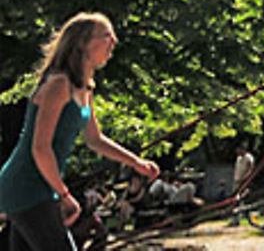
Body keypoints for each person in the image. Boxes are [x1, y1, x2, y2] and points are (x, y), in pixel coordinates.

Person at [0, 14, 160, 251]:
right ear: (83, 43)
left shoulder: (85, 87)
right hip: (26, 184)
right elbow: (40, 148)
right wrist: (64, 195)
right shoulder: (58, 84)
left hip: (38, 186)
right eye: (106, 35)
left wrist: (136, 162)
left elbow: (94, 139)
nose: (114, 41)